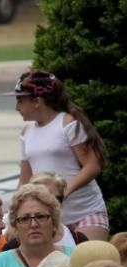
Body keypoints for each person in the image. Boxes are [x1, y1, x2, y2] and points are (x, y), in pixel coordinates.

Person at [13, 70, 109, 241]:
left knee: (86, 261)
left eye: (20, 100)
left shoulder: (68, 123)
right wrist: (14, 210)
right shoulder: (26, 132)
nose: (16, 107)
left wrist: (63, 193)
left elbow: (93, 165)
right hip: (49, 219)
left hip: (85, 212)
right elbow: (25, 179)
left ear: (37, 101)